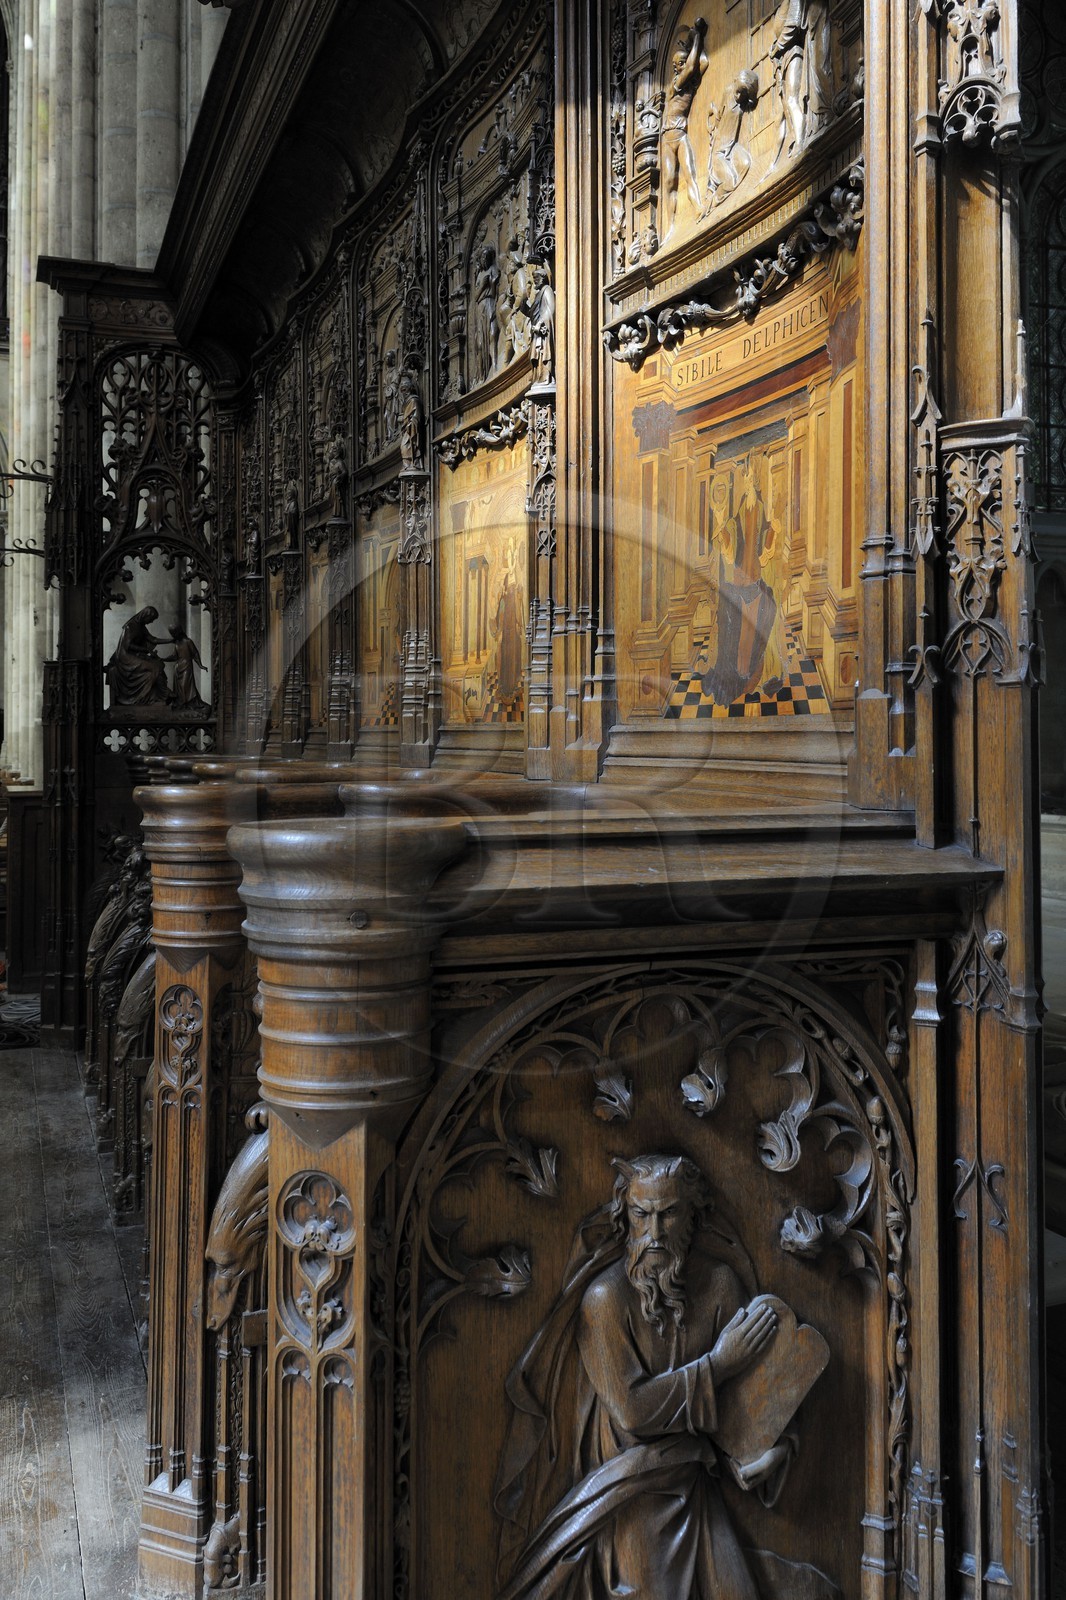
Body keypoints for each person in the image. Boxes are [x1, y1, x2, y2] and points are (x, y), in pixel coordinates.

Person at [495, 1153, 820, 1600]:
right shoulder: (604, 1300)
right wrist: (718, 1364)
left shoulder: (721, 1286)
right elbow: (634, 1411)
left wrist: (774, 1449)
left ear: (692, 1216)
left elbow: (757, 1395)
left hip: (697, 1491)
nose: (655, 1233)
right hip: (628, 1497)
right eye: (641, 1214)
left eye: (669, 1214)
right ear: (625, 1216)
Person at [661, 18, 709, 242]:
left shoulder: (691, 81)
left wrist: (693, 38)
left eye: (679, 62)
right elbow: (691, 66)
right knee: (669, 182)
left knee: (690, 174)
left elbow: (701, 62)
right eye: (675, 64)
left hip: (680, 135)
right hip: (667, 137)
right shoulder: (676, 84)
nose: (677, 66)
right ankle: (669, 228)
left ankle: (698, 208)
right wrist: (696, 35)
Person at [104, 605, 170, 706]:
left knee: (159, 664)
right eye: (151, 619)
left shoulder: (141, 626)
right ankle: (142, 698)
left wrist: (171, 640)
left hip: (135, 655)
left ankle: (162, 695)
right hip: (125, 657)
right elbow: (127, 646)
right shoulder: (130, 626)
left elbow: (153, 639)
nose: (151, 622)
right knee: (154, 667)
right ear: (145, 615)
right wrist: (146, 650)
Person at [473, 243, 501, 383]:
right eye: (482, 257)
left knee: (492, 333)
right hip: (481, 307)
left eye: (486, 257)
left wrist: (490, 285)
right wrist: (483, 285)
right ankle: (482, 374)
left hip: (490, 303)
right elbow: (476, 297)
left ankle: (495, 365)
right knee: (480, 342)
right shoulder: (479, 276)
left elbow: (495, 293)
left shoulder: (493, 270)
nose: (484, 259)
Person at [525, 260, 555, 388]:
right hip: (537, 331)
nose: (535, 281)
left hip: (543, 331)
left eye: (536, 278)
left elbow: (551, 309)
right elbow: (532, 313)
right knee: (537, 356)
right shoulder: (538, 295)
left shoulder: (547, 290)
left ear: (542, 278)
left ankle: (547, 377)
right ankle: (540, 377)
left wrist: (540, 323)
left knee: (543, 353)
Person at [165, 624, 208, 710]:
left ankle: (190, 704)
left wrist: (200, 665)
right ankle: (182, 705)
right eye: (172, 633)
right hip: (178, 669)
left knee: (186, 686)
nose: (173, 635)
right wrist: (163, 659)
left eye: (174, 633)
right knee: (179, 689)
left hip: (186, 667)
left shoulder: (188, 642)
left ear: (179, 631)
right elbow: (174, 656)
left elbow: (195, 653)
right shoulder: (177, 643)